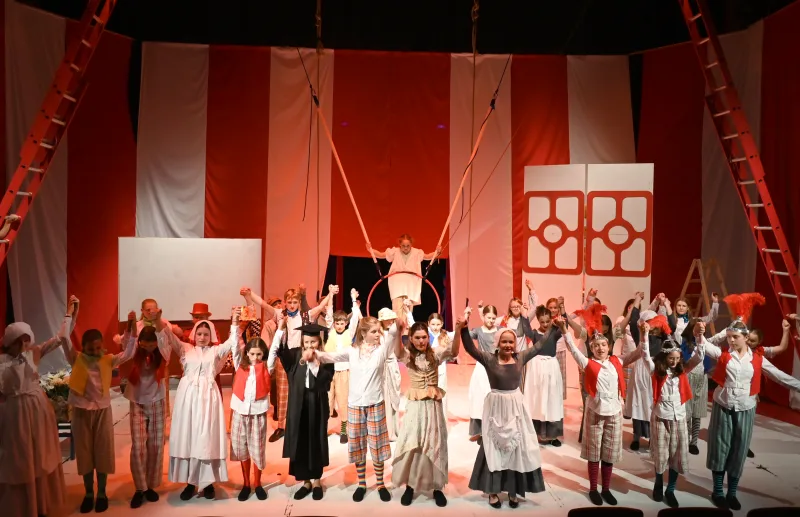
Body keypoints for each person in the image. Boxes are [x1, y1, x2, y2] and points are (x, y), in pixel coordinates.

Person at [699, 293, 800, 511]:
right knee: (719, 448)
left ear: (745, 338)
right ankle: (718, 491)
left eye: (735, 337)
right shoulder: (724, 354)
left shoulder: (757, 359)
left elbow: (780, 376)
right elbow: (704, 344)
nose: (731, 340)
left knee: (739, 448)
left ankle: (732, 492)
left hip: (746, 407)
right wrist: (709, 334)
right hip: (723, 405)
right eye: (729, 337)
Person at [460, 307, 547, 509]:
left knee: (517, 449)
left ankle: (514, 490)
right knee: (494, 448)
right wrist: (464, 328)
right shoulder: (489, 359)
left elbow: (539, 346)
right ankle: (492, 491)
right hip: (496, 408)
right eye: (504, 341)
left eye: (511, 342)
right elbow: (470, 349)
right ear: (497, 343)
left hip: (515, 408)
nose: (508, 345)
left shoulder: (520, 358)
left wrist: (554, 328)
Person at [561, 303, 643, 506]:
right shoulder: (588, 363)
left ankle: (606, 488)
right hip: (596, 412)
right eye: (596, 346)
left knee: (609, 452)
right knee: (594, 452)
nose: (600, 348)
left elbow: (639, 352)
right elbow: (572, 349)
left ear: (608, 346)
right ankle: (593, 489)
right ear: (592, 348)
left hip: (614, 412)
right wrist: (564, 331)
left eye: (603, 345)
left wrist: (644, 334)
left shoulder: (617, 361)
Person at [0, 301, 75, 517]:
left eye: (26, 339)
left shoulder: (33, 353)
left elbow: (60, 338)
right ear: (10, 341)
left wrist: (69, 314)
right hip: (15, 412)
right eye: (19, 341)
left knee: (41, 453)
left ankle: (40, 502)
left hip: (38, 408)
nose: (24, 344)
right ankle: (23, 506)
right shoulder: (2, 361)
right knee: (20, 456)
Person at [62, 307, 138, 513]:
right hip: (81, 412)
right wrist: (71, 313)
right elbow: (63, 337)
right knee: (85, 453)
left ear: (102, 347)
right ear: (83, 347)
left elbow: (130, 352)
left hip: (103, 411)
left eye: (97, 348)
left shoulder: (107, 359)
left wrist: (132, 327)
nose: (94, 353)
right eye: (90, 349)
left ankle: (102, 492)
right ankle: (89, 492)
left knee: (102, 452)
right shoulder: (76, 358)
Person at [315, 316, 398, 502]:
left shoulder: (382, 350)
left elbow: (393, 334)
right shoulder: (353, 351)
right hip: (355, 406)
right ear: (363, 333)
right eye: (374, 331)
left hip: (375, 403)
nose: (378, 334)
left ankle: (380, 483)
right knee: (358, 446)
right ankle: (361, 484)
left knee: (377, 446)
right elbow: (331, 357)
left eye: (379, 331)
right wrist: (315, 354)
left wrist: (400, 318)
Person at [241, 285, 337, 442]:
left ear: (299, 302)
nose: (292, 305)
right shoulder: (280, 314)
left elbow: (320, 307)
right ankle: (282, 427)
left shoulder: (306, 316)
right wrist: (251, 294)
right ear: (285, 302)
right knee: (283, 393)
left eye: (295, 302)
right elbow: (264, 304)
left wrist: (331, 294)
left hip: (300, 357)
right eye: (289, 302)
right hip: (284, 357)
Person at [166, 308, 240, 500]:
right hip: (188, 399)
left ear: (211, 335)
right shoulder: (185, 349)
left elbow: (232, 342)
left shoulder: (215, 351)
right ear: (194, 334)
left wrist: (235, 322)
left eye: (206, 334)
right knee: (189, 437)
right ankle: (190, 483)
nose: (202, 337)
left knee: (206, 438)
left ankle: (208, 482)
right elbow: (170, 337)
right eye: (199, 333)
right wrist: (161, 321)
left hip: (208, 400)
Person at [391, 316, 461, 507]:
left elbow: (454, 351)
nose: (422, 341)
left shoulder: (436, 353)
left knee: (435, 443)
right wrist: (398, 332)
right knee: (414, 443)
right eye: (418, 338)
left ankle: (437, 487)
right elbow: (397, 352)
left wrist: (458, 329)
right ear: (411, 339)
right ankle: (410, 486)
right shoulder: (409, 355)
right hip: (415, 406)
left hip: (432, 405)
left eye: (424, 337)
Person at [642, 323, 704, 508]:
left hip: (679, 418)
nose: (674, 361)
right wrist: (644, 334)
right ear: (664, 357)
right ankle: (659, 483)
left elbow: (699, 356)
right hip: (661, 417)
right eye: (671, 358)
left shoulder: (682, 370)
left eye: (677, 358)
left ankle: (671, 489)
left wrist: (700, 336)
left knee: (676, 455)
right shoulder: (657, 371)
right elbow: (645, 355)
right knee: (661, 454)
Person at [273, 321, 335, 500]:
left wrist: (314, 362)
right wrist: (280, 329)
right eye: (306, 343)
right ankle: (306, 481)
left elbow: (325, 382)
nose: (309, 346)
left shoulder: (326, 359)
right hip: (298, 407)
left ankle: (316, 481)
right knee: (301, 442)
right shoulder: (294, 356)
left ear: (319, 343)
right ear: (302, 343)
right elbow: (278, 350)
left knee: (315, 442)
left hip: (316, 405)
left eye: (313, 342)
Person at [124, 319, 172, 508]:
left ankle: (151, 485)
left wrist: (159, 334)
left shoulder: (162, 353)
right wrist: (130, 327)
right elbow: (126, 346)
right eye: (145, 342)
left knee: (155, 445)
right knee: (138, 446)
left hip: (156, 401)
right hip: (137, 401)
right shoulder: (135, 351)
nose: (148, 346)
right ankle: (139, 487)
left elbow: (164, 344)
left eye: (152, 342)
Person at [229, 329, 270, 502]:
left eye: (259, 354)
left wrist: (282, 328)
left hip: (257, 412)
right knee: (241, 447)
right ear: (246, 353)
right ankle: (246, 483)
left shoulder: (267, 366)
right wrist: (235, 325)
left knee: (257, 449)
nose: (255, 358)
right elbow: (234, 344)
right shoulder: (240, 363)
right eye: (252, 354)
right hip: (240, 411)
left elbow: (274, 348)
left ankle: (257, 483)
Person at [367, 234, 441, 326]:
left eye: (408, 246)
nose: (405, 248)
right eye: (403, 246)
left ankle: (406, 331)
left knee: (408, 311)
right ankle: (398, 330)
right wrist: (370, 249)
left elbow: (427, 256)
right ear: (400, 245)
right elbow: (382, 255)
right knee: (397, 310)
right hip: (397, 283)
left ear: (411, 245)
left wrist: (437, 252)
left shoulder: (417, 252)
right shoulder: (395, 251)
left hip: (411, 284)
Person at [324, 289, 361, 444]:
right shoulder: (331, 332)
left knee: (343, 401)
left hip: (343, 372)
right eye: (337, 323)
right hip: (328, 371)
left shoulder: (349, 333)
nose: (339, 326)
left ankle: (344, 430)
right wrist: (331, 295)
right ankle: (323, 429)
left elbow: (355, 320)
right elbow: (329, 313)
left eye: (341, 323)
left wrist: (353, 299)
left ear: (345, 323)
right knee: (327, 401)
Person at [377, 306, 404, 441]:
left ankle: (394, 429)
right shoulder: (378, 334)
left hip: (393, 367)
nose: (389, 321)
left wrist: (405, 309)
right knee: (384, 400)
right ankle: (385, 431)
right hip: (383, 368)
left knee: (394, 399)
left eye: (390, 319)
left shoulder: (394, 332)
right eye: (386, 319)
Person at [426, 313, 453, 416]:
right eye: (433, 324)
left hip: (441, 370)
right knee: (428, 395)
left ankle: (442, 422)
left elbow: (457, 332)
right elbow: (413, 324)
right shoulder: (425, 334)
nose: (435, 327)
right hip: (427, 370)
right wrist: (408, 312)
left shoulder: (445, 335)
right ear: (428, 324)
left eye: (438, 324)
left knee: (442, 394)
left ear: (442, 324)